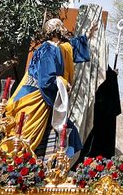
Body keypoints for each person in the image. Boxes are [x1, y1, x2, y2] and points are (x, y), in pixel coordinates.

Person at [6, 17, 93, 156]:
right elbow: (46, 81)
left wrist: (86, 36)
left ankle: (52, 166)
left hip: (43, 98)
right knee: (23, 141)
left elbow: (70, 48)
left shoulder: (54, 48)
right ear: (55, 32)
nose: (65, 29)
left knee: (68, 132)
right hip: (35, 99)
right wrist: (62, 83)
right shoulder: (48, 50)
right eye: (61, 26)